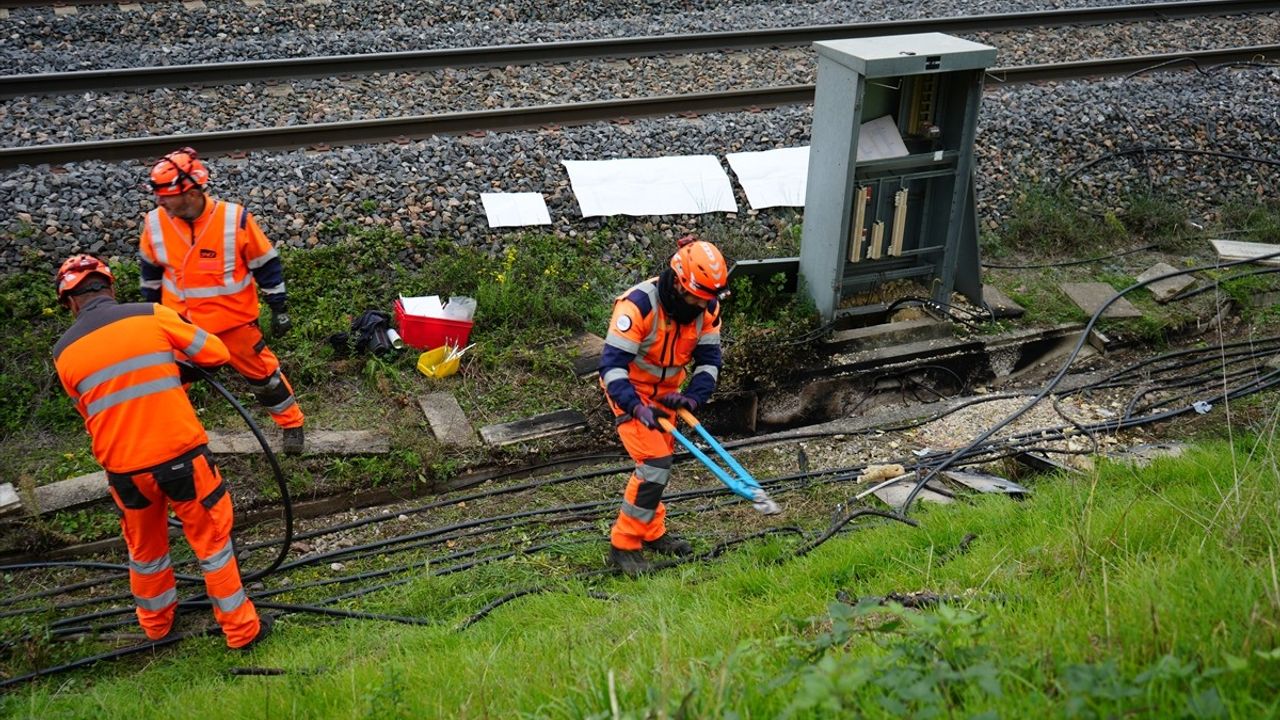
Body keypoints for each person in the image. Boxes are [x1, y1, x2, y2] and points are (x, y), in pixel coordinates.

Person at [52, 254, 270, 649]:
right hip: (180, 458)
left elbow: (88, 406)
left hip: (124, 469)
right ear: (110, 286)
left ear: (69, 302)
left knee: (146, 551)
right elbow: (217, 354)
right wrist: (176, 366)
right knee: (213, 544)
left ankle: (155, 626)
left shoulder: (63, 352)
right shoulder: (151, 314)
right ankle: (242, 631)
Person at [137, 147, 305, 454]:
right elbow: (150, 273)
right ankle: (172, 440)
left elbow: (265, 263)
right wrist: (150, 313)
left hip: (234, 324)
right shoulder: (155, 224)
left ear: (189, 191)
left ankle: (292, 425)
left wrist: (279, 306)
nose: (159, 201)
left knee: (265, 378)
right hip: (182, 327)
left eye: (165, 195)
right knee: (169, 385)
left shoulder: (234, 219)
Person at [598, 237, 729, 576]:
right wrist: (635, 407)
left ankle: (651, 532)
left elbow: (709, 361)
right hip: (628, 390)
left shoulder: (708, 309)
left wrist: (694, 396)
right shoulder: (638, 306)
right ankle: (624, 544)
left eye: (707, 300)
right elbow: (612, 367)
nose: (700, 307)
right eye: (695, 298)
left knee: (660, 465)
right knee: (654, 464)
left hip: (667, 393)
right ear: (677, 283)